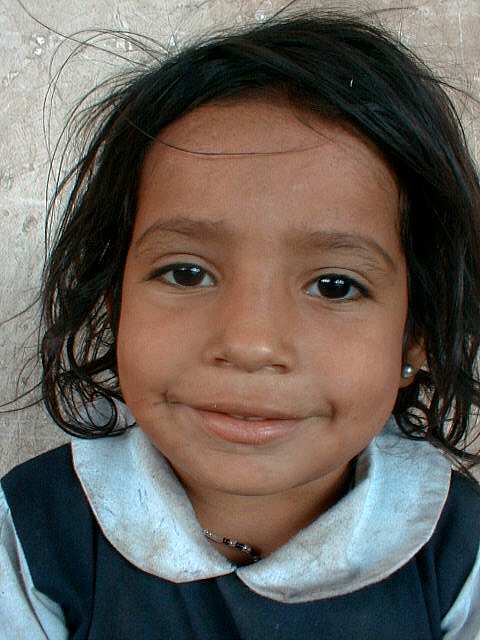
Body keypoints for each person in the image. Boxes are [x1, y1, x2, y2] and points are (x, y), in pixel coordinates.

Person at [1, 5, 480, 639]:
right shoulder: (32, 540)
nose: (250, 343)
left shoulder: (459, 556)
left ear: (416, 336)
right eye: (186, 273)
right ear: (114, 302)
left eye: (334, 285)